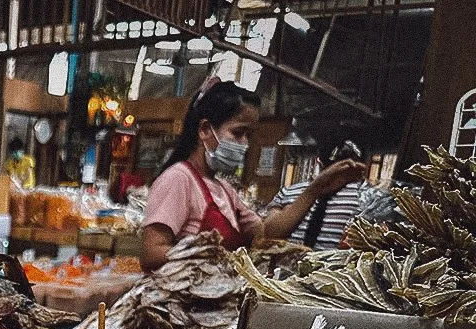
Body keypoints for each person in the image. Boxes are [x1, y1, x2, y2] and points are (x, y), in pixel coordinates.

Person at [140, 79, 365, 272]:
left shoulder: (224, 189)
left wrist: (315, 189)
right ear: (205, 129)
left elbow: (266, 234)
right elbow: (152, 253)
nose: (244, 144)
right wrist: (215, 258)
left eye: (248, 135)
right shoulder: (179, 179)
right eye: (238, 133)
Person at [267, 140, 366, 250]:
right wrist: (315, 189)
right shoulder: (289, 192)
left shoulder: (370, 199)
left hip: (337, 266)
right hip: (290, 265)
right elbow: (269, 234)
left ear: (318, 161)